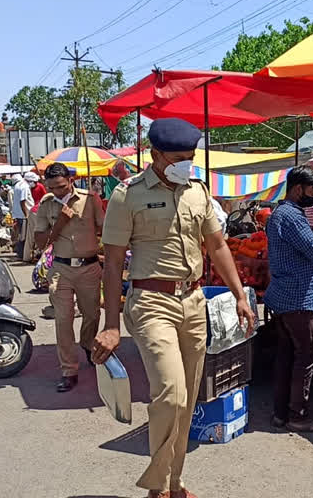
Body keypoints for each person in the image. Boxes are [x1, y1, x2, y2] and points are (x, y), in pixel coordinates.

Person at [94, 118, 255, 498]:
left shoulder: (198, 192)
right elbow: (114, 263)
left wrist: (240, 295)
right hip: (151, 302)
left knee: (188, 398)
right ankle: (156, 485)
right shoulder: (127, 195)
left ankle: (173, 482)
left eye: (191, 157)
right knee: (171, 393)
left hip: (194, 301)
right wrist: (111, 323)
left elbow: (217, 246)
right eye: (180, 158)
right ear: (156, 155)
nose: (187, 163)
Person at [264, 165, 313, 432]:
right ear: (298, 188)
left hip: (282, 293)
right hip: (296, 296)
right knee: (307, 353)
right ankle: (297, 415)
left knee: (287, 353)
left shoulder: (280, 214)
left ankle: (281, 413)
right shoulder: (291, 216)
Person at [34, 163, 104, 392]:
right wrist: (62, 221)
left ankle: (86, 344)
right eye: (53, 187)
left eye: (62, 186)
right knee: (63, 320)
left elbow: (104, 228)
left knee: (92, 314)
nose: (58, 191)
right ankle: (69, 370)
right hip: (61, 269)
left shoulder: (90, 199)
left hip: (89, 267)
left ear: (71, 180)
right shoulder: (46, 204)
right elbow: (41, 241)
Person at [22, 172, 46, 262]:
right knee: (38, 234)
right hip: (37, 211)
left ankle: (28, 256)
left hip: (35, 211)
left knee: (31, 235)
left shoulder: (39, 186)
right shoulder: (26, 187)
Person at [11, 174, 33, 259]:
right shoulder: (24, 186)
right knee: (24, 236)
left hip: (18, 214)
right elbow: (22, 201)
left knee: (21, 235)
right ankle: (22, 254)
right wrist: (26, 215)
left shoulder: (17, 186)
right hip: (23, 215)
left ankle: (20, 253)